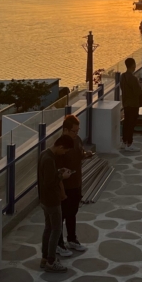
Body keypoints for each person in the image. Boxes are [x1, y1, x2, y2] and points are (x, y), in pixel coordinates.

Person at [57, 116, 91, 252]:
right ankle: (59, 243)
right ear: (65, 130)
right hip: (65, 186)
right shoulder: (60, 146)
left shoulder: (77, 140)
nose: (76, 134)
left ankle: (72, 239)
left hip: (76, 183)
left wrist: (85, 154)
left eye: (78, 131)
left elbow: (79, 153)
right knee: (62, 216)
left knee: (72, 213)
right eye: (73, 131)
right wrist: (62, 192)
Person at [38, 136, 72, 272]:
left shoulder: (43, 154)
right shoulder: (49, 159)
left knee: (48, 228)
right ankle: (51, 262)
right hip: (52, 200)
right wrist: (62, 177)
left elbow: (46, 177)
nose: (64, 153)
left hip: (44, 200)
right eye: (65, 151)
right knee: (56, 230)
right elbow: (49, 182)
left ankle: (44, 258)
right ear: (60, 147)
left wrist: (58, 172)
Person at [120, 57, 142, 152]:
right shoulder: (133, 78)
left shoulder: (122, 76)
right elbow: (137, 92)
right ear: (133, 65)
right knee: (131, 124)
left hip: (126, 103)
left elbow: (123, 88)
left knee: (126, 123)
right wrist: (140, 86)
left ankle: (124, 142)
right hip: (133, 104)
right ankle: (129, 144)